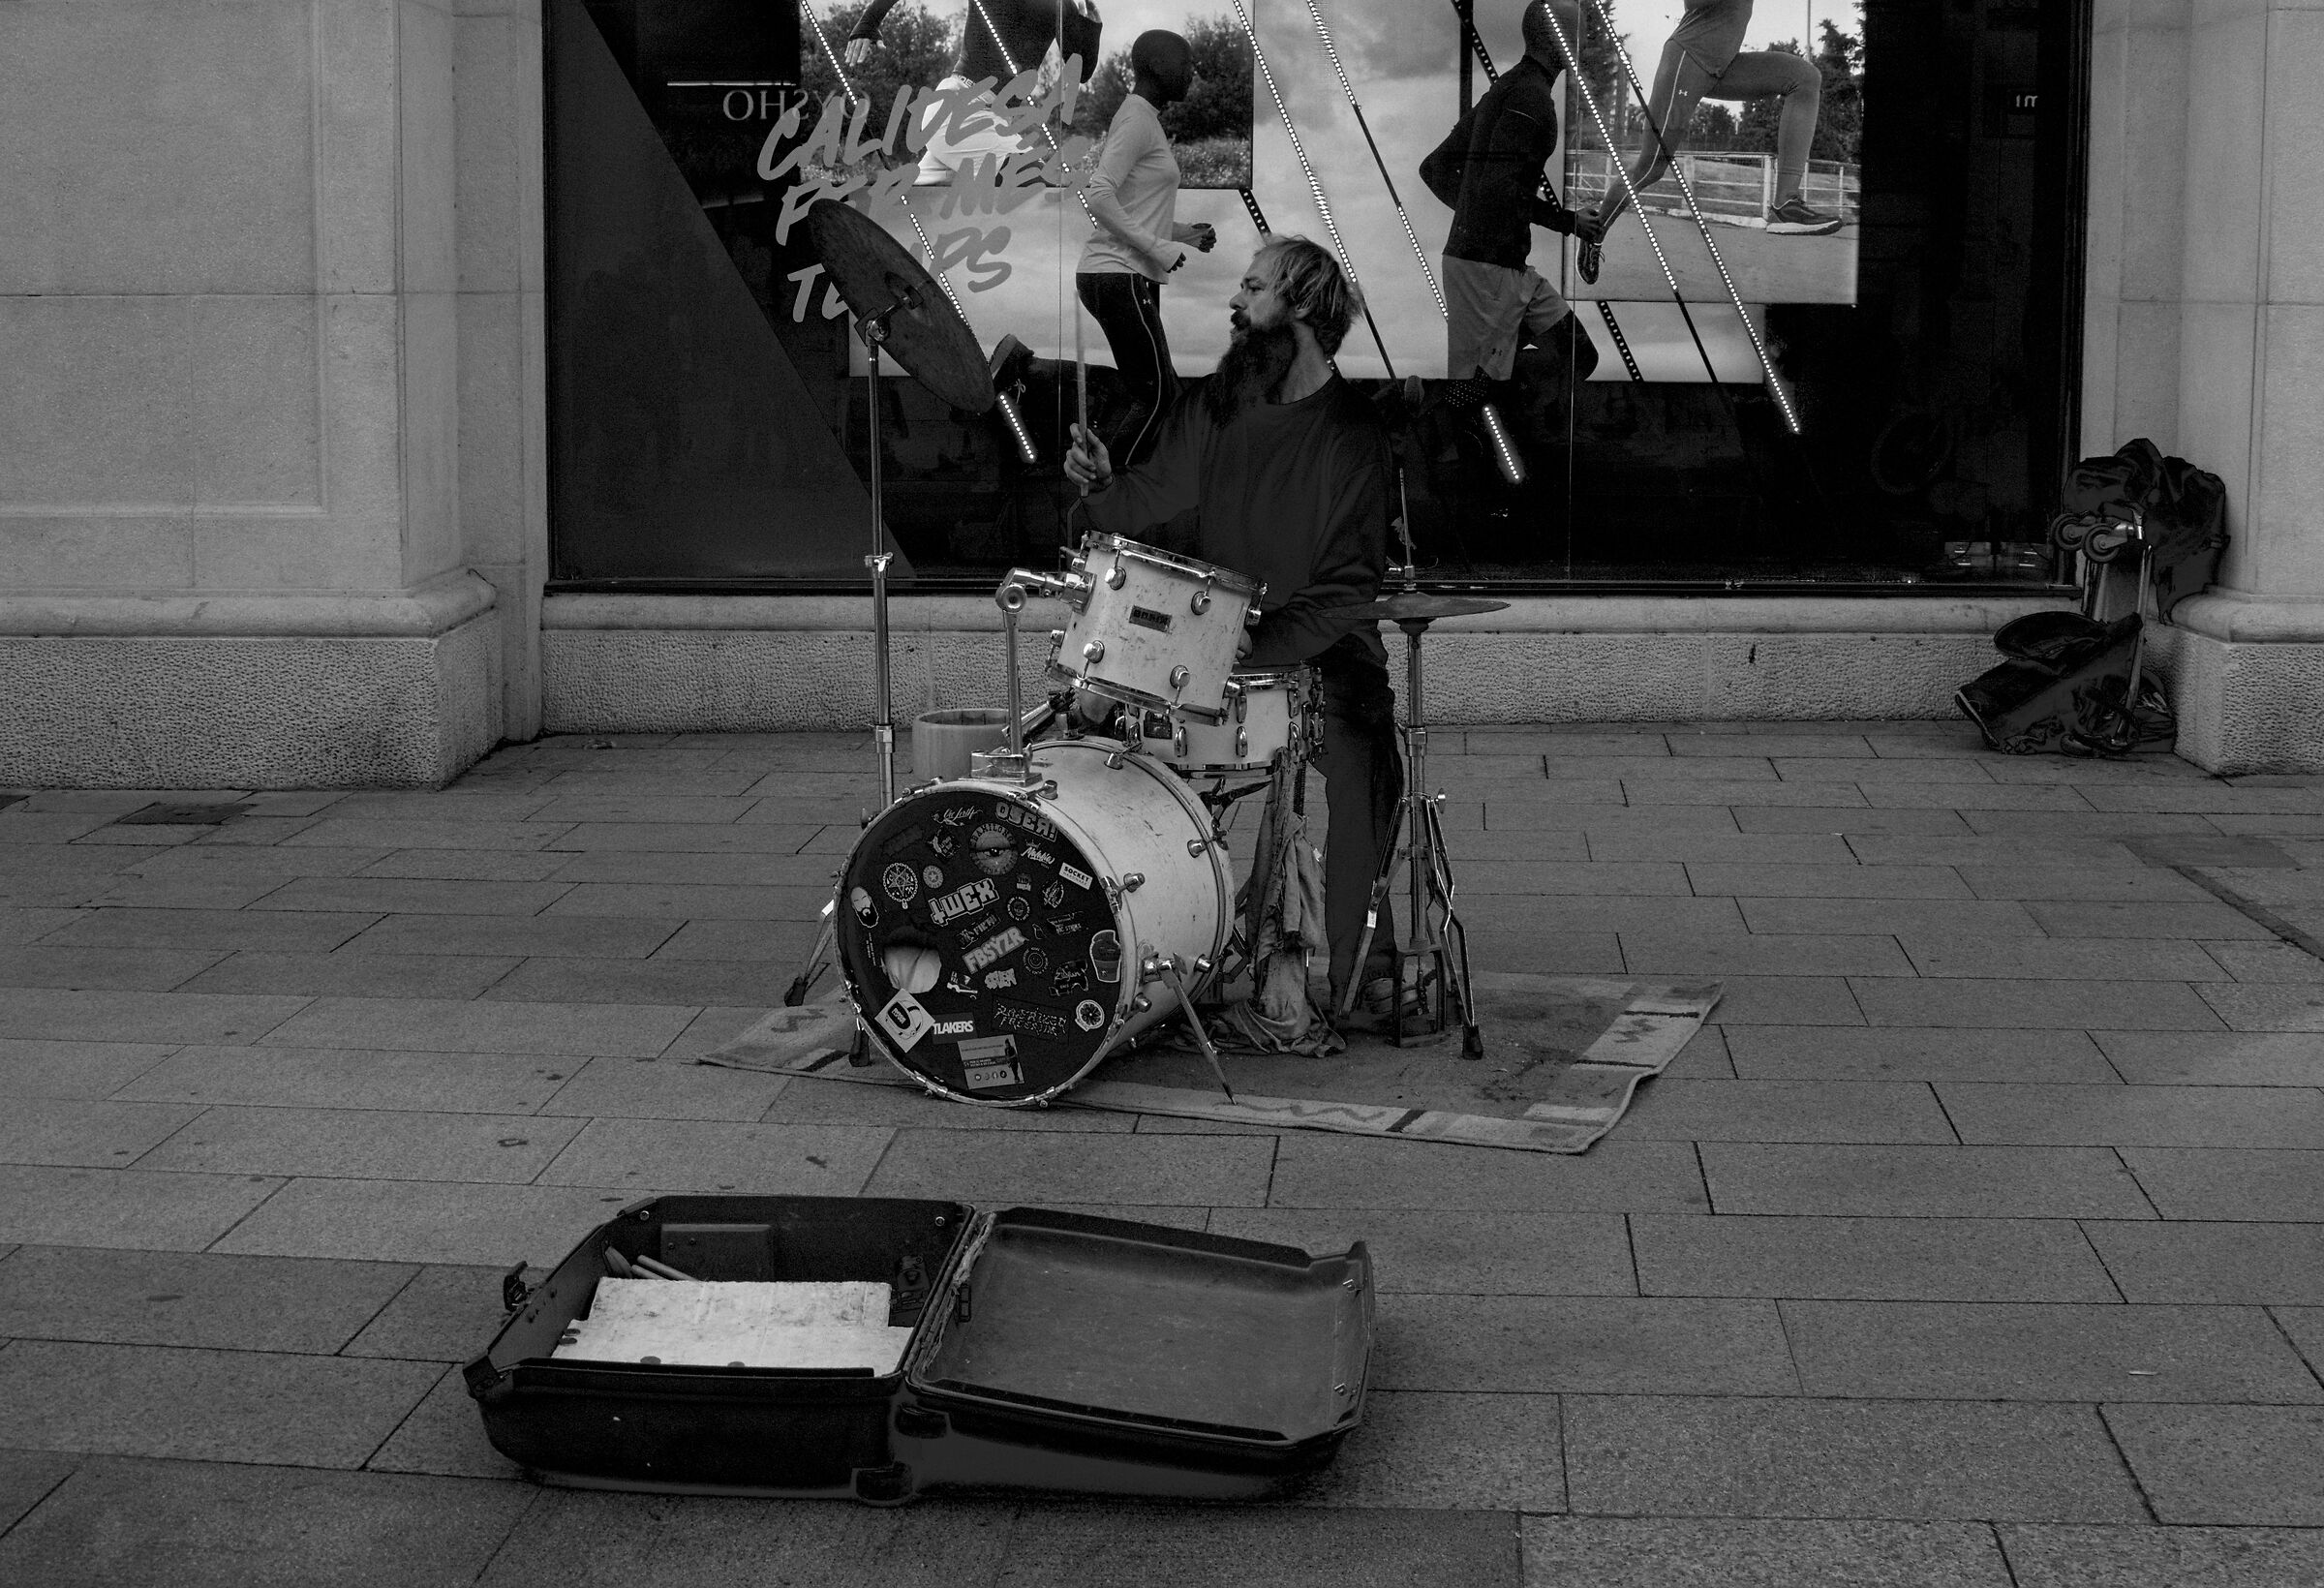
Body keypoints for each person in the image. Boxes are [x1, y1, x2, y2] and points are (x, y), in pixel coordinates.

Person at [1061, 236, 1408, 1027]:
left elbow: (1350, 588)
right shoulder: (1214, 406)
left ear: (1305, 310)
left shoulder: (1352, 434)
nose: (1236, 303)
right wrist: (1105, 484)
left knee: (1363, 765)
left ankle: (1363, 973)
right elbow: (1149, 505)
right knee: (1086, 733)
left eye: (1254, 289)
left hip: (1321, 653)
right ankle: (1122, 952)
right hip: (1200, 648)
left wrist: (1264, 639)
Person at [1575, 0, 1843, 283]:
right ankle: (1595, 232)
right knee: (1651, 167)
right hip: (1686, 61)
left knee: (1804, 77)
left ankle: (1785, 204)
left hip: (1723, 64)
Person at [1419, 0, 1596, 389]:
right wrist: (1570, 221)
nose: (1583, 41)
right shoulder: (1529, 97)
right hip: (1488, 272)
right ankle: (1434, 403)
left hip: (1497, 264)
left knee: (1578, 355)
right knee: (1478, 393)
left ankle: (1468, 389)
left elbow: (1435, 169)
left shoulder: (1511, 87)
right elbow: (1499, 186)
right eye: (1576, 32)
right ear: (1554, 37)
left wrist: (1476, 215)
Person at [1073, 30, 1218, 468]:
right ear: (1156, 67)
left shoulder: (1144, 117)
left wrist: (1186, 235)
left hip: (1125, 273)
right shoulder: (1137, 118)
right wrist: (1158, 247)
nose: (1193, 72)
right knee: (1155, 395)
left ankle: (1137, 483)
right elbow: (1099, 195)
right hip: (1116, 274)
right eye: (1186, 64)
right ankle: (1108, 486)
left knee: (1161, 393)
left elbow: (1133, 207)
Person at [846, 0, 1104, 183]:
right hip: (958, 109)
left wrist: (1091, 27)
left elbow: (1081, 72)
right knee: (1040, 182)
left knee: (919, 209)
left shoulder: (1063, 5)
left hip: (994, 122)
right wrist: (867, 23)